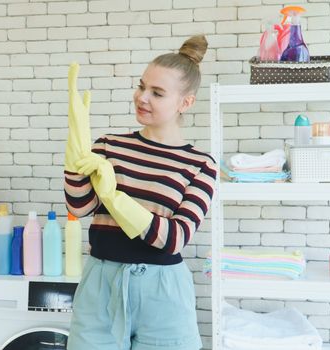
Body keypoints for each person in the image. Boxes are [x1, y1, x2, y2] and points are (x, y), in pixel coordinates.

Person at [64, 34, 216, 350]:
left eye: (157, 93)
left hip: (163, 293)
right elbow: (78, 207)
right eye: (141, 86)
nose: (142, 97)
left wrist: (114, 197)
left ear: (185, 102)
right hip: (100, 285)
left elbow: (174, 239)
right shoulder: (110, 145)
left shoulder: (200, 163)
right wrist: (75, 142)